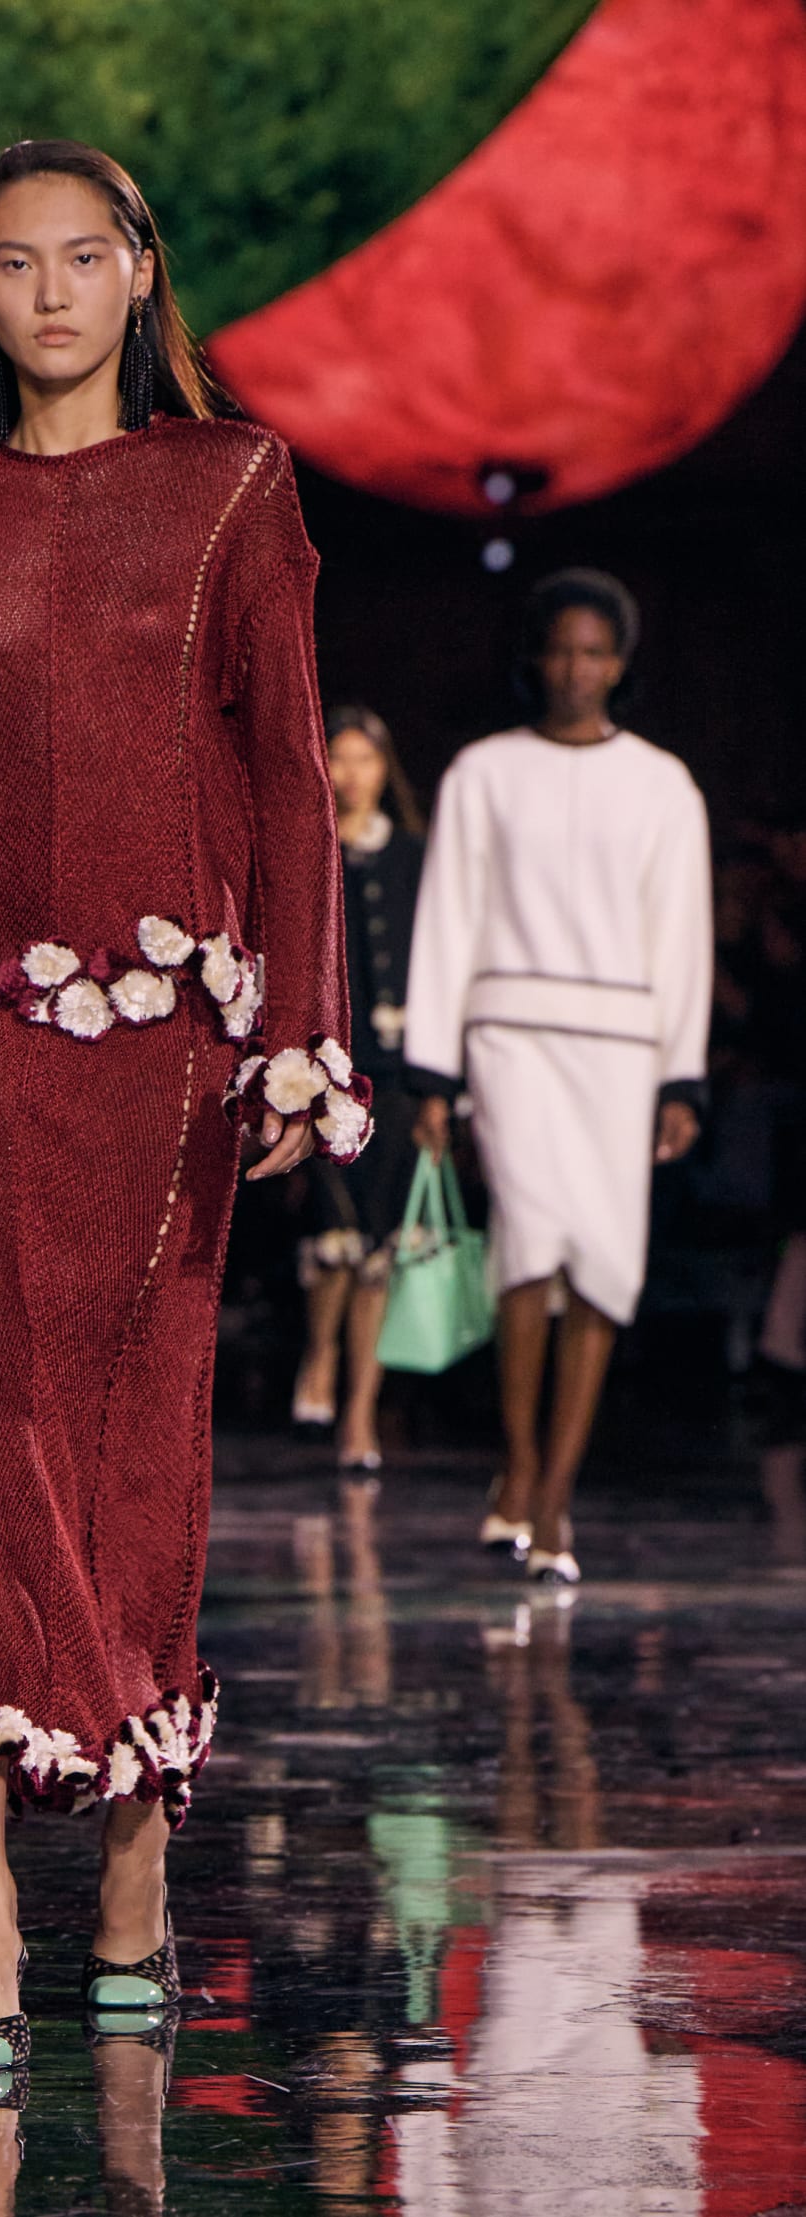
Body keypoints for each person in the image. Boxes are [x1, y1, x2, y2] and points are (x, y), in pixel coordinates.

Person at [0, 138, 369, 2081]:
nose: (49, 292)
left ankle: (133, 1833)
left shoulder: (233, 486)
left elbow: (288, 776)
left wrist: (306, 1033)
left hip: (167, 1043)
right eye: (13, 263)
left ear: (140, 272)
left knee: (132, 1429)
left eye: (82, 256)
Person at [404, 569, 711, 1583]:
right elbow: (448, 914)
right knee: (528, 1248)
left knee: (605, 1263)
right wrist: (433, 1071)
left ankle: (557, 1492)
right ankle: (521, 1463)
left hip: (621, 1048)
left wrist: (681, 1080)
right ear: (536, 659)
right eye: (562, 650)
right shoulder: (483, 772)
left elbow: (682, 935)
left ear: (620, 664)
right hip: (511, 1039)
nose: (577, 669)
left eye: (595, 652)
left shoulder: (664, 785)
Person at [292, 707, 424, 1467]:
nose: (351, 774)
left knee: (380, 1249)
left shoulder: (413, 855)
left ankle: (362, 1414)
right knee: (335, 1236)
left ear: (384, 768)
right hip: (329, 1066)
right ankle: (319, 1355)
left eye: (364, 759)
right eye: (337, 758)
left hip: (399, 1071)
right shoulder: (310, 851)